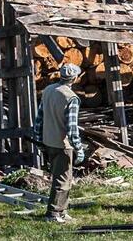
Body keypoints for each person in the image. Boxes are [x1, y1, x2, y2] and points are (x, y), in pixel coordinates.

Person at [33, 63, 84, 223]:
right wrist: (79, 149)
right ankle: (53, 213)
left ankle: (62, 211)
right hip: (63, 144)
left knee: (62, 178)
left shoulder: (49, 90)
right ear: (75, 78)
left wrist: (39, 140)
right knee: (63, 180)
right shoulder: (71, 98)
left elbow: (39, 118)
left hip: (49, 140)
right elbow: (72, 128)